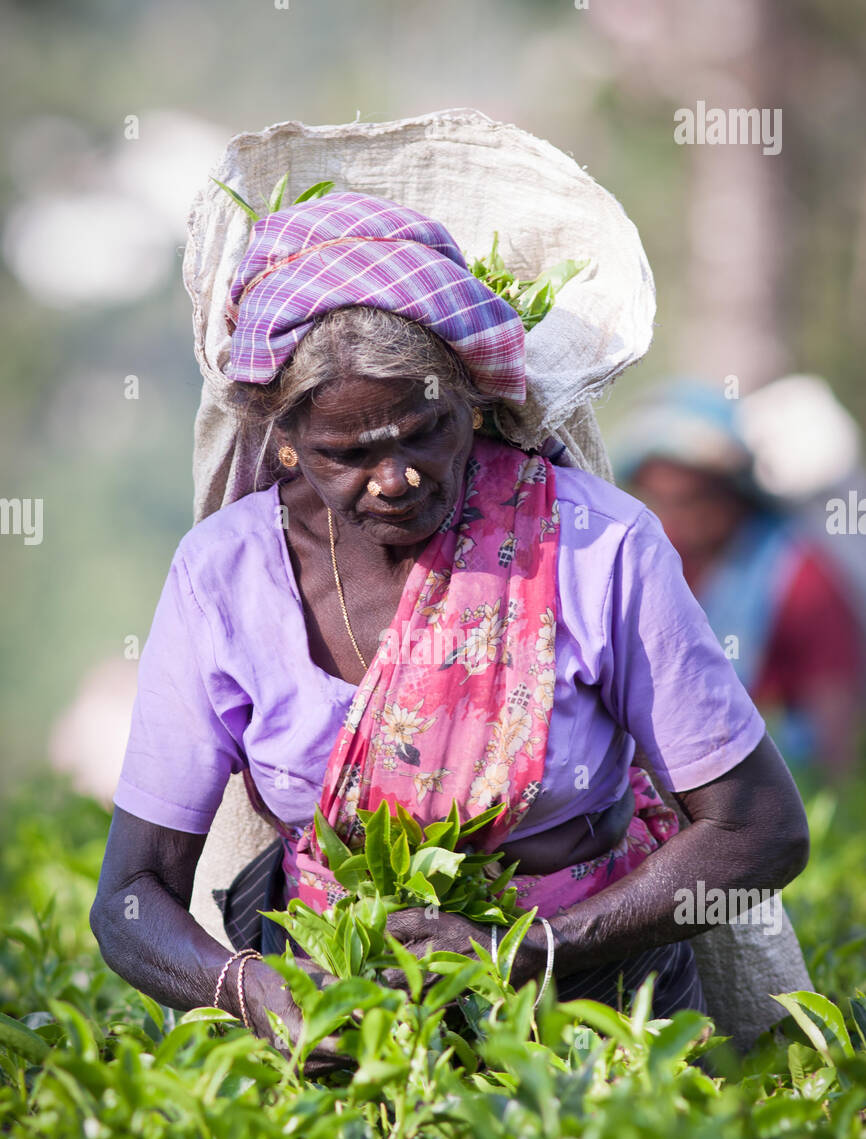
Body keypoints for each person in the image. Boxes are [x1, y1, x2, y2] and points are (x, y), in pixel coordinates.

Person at [90, 193, 810, 1075]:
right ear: (284, 445)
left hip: (592, 1010)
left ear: (469, 401)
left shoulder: (596, 546)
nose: (392, 480)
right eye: (346, 455)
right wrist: (251, 992)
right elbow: (129, 896)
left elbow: (760, 831)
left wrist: (532, 950)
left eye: (422, 433)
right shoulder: (222, 577)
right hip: (328, 1022)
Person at [612, 380, 865, 774]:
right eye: (661, 499)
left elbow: (831, 726)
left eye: (694, 497)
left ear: (734, 490)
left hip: (776, 779)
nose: (679, 516)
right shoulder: (665, 557)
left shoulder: (798, 576)